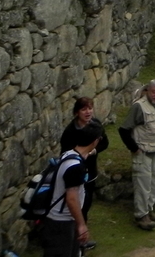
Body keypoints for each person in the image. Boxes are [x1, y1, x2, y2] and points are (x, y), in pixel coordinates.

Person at [42, 120, 104, 257]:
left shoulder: (69, 155)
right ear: (95, 141)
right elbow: (71, 198)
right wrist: (81, 225)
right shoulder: (75, 167)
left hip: (60, 220)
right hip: (61, 223)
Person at [59, 97, 109, 245]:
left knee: (85, 205)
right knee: (75, 205)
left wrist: (93, 151)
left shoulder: (96, 125)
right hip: (75, 174)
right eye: (84, 109)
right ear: (77, 112)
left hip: (90, 172)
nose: (88, 112)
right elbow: (65, 152)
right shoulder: (70, 131)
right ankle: (75, 239)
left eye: (90, 108)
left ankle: (81, 239)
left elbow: (105, 142)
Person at [118, 79, 155, 231]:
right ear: (147, 90)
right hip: (142, 152)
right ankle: (141, 216)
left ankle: (149, 210)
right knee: (142, 184)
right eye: (153, 92)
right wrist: (134, 149)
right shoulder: (139, 107)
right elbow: (124, 130)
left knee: (153, 182)